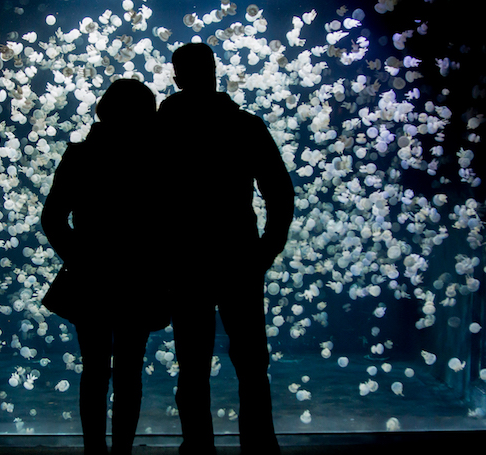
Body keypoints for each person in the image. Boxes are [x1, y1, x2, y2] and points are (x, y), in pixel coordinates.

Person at [157, 43, 295, 455]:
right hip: (238, 254)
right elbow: (280, 193)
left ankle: (198, 447)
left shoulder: (162, 129)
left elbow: (144, 197)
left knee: (193, 361)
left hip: (185, 258)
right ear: (215, 72)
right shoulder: (245, 126)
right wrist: (267, 248)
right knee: (251, 359)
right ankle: (259, 446)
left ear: (177, 78)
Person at [41, 78, 169, 455]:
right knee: (128, 369)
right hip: (140, 275)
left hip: (92, 276)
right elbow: (169, 219)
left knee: (95, 369)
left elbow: (52, 219)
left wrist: (82, 259)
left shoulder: (80, 156)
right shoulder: (156, 158)